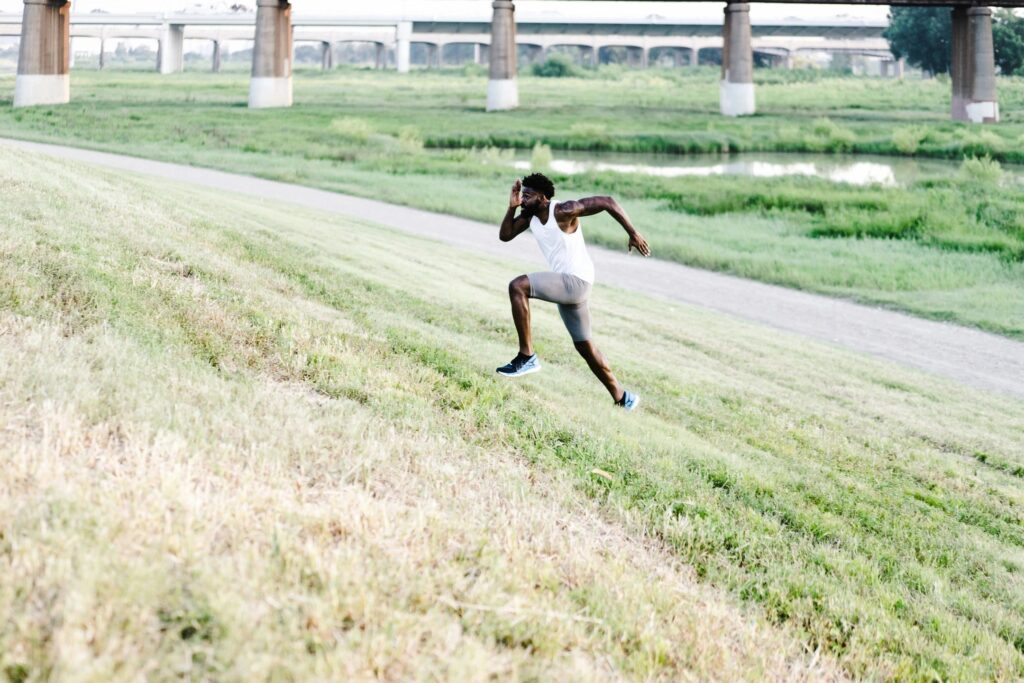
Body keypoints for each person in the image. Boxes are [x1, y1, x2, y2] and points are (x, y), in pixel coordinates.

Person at [496, 172, 651, 410]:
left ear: (543, 197)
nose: (523, 199)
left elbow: (607, 202)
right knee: (585, 346)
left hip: (576, 281)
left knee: (518, 286)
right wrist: (511, 206)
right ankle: (623, 398)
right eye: (522, 195)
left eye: (528, 195)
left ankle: (527, 357)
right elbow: (505, 235)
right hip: (569, 285)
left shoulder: (563, 211)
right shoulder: (530, 217)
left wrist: (633, 232)